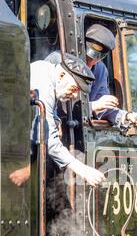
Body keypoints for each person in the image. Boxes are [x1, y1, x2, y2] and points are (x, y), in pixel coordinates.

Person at [9, 53, 105, 187]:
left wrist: (56, 120)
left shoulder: (47, 70)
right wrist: (84, 170)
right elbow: (49, 141)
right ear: (62, 75)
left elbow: (49, 107)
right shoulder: (44, 85)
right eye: (74, 89)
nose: (74, 95)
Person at [45, 24, 137, 130]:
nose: (91, 63)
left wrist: (127, 116)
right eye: (88, 58)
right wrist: (93, 106)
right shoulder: (58, 60)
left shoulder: (100, 70)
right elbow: (52, 102)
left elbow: (103, 108)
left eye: (97, 58)